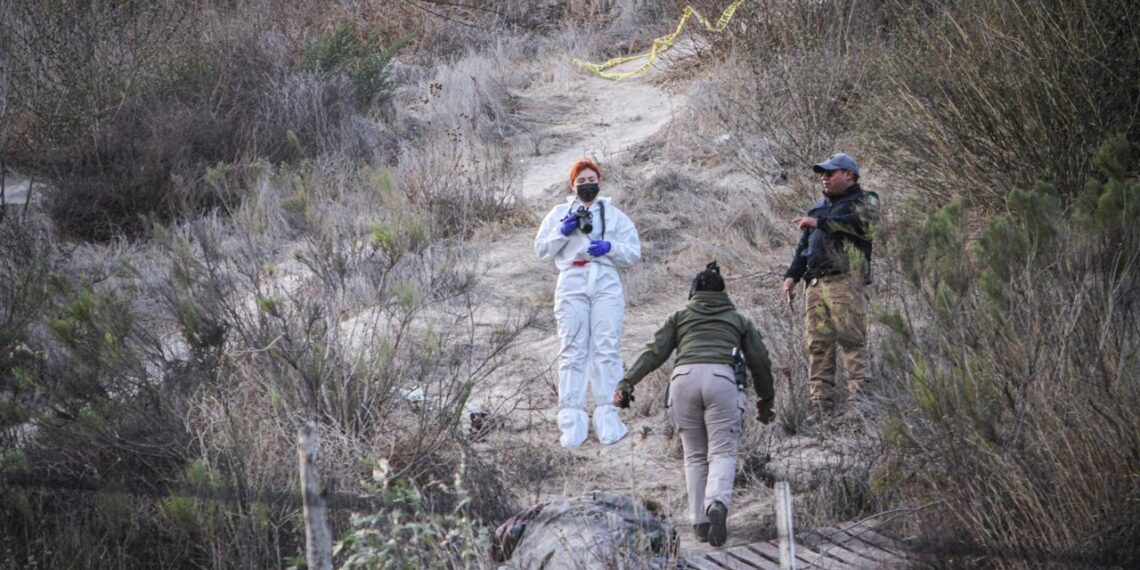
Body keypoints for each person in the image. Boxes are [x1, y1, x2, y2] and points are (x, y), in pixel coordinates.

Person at [613, 262, 775, 547]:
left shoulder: (680, 315)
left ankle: (700, 521)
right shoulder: (739, 319)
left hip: (683, 380)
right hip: (722, 380)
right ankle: (717, 504)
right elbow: (760, 362)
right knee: (723, 451)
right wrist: (765, 401)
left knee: (695, 455)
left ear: (693, 292)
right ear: (723, 293)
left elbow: (654, 352)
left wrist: (626, 383)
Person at [534, 158, 641, 447]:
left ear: (599, 180)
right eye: (581, 181)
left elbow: (633, 251)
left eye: (591, 178)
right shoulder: (558, 213)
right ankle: (572, 420)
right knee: (572, 348)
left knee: (606, 347)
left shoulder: (614, 215)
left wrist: (611, 247)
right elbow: (541, 250)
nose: (586, 184)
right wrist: (562, 231)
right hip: (571, 278)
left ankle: (609, 417)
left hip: (605, 278)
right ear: (572, 184)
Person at [782, 152, 877, 418]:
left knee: (851, 340)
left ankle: (860, 405)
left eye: (830, 173)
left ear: (849, 174)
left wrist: (820, 223)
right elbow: (803, 249)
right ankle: (820, 406)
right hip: (814, 284)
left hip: (845, 280)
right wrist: (791, 276)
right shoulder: (817, 209)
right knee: (818, 345)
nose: (824, 178)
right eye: (822, 174)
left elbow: (863, 226)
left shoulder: (865, 200)